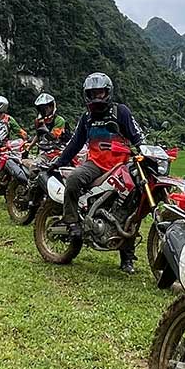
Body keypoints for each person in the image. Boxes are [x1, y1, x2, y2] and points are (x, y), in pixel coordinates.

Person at [48, 73, 146, 274]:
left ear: (108, 92)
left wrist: (147, 151)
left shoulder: (121, 112)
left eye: (99, 92)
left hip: (122, 166)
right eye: (92, 94)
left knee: (129, 211)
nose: (96, 97)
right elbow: (75, 143)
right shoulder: (86, 117)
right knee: (74, 178)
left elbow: (138, 137)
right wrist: (59, 162)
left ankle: (127, 258)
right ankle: (72, 222)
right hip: (95, 165)